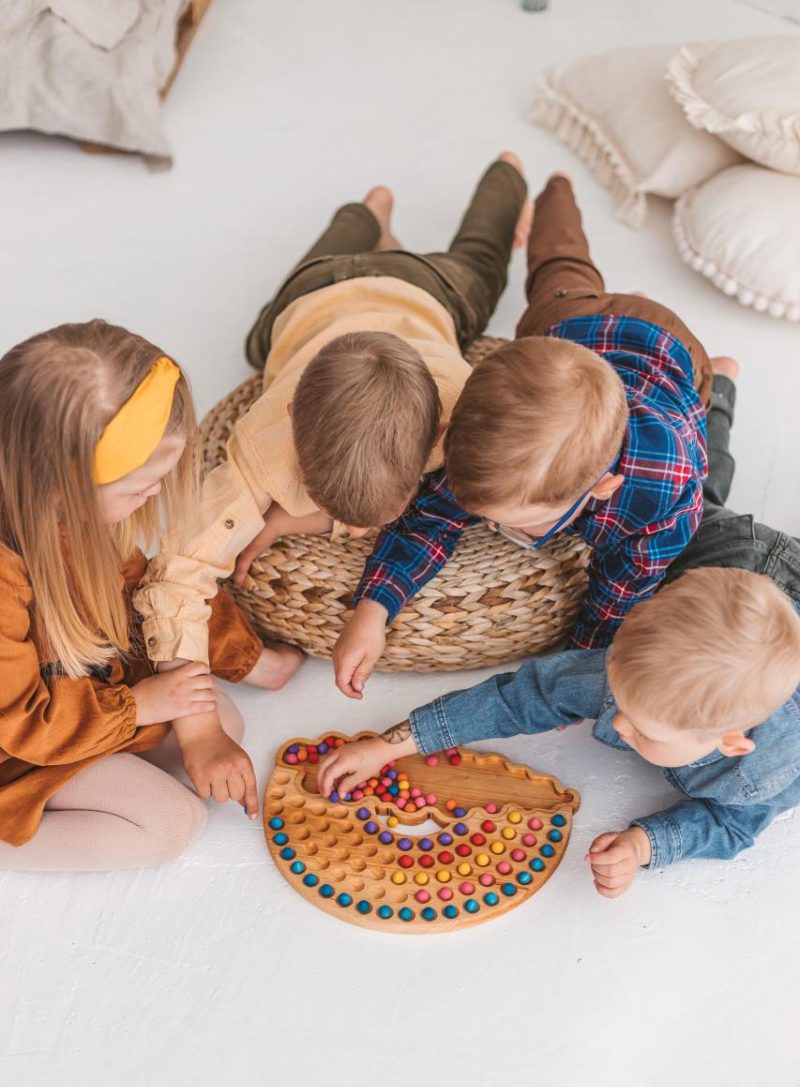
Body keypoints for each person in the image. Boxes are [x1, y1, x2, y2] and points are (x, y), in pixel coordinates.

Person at [316, 373, 800, 896]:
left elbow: (732, 825)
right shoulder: (633, 676)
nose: (616, 721)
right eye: (622, 705)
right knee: (697, 495)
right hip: (723, 552)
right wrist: (390, 746)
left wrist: (645, 844)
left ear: (730, 742)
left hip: (761, 605)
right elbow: (523, 697)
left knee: (703, 489)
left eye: (644, 729)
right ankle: (717, 391)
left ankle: (719, 395)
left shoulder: (768, 772)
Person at [133, 155, 531, 773]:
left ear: (440, 433)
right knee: (266, 337)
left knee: (479, 261)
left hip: (406, 288)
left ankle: (388, 208)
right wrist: (200, 730)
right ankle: (451, 192)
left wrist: (291, 520)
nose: (361, 529)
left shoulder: (468, 405)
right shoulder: (260, 442)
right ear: (292, 417)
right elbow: (175, 576)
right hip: (333, 292)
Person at [334, 172, 711, 698]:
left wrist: (572, 669)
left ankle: (721, 373)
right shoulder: (491, 444)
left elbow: (620, 594)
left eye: (514, 524)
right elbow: (430, 517)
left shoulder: (662, 495)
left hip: (668, 346)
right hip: (568, 325)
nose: (488, 528)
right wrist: (373, 609)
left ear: (602, 487)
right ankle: (556, 193)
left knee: (705, 395)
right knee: (558, 263)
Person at [0, 321, 284, 870]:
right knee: (173, 823)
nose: (153, 493)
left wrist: (248, 659)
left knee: (219, 720)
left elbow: (147, 590)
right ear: (59, 486)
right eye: (136, 487)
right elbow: (21, 722)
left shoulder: (66, 515)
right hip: (18, 742)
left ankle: (103, 767)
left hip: (78, 699)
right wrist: (141, 706)